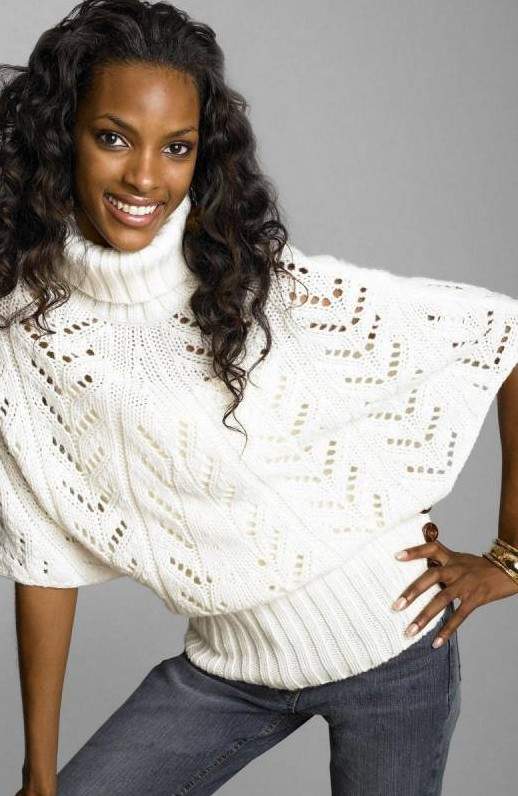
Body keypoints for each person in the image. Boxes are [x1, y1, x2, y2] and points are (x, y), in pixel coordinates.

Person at [1, 1, 518, 795]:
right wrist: (38, 775)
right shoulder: (26, 328)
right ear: (61, 133)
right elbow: (41, 552)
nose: (145, 177)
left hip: (395, 650)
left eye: (177, 147)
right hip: (232, 672)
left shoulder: (253, 280)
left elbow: (502, 334)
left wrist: (511, 556)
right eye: (114, 138)